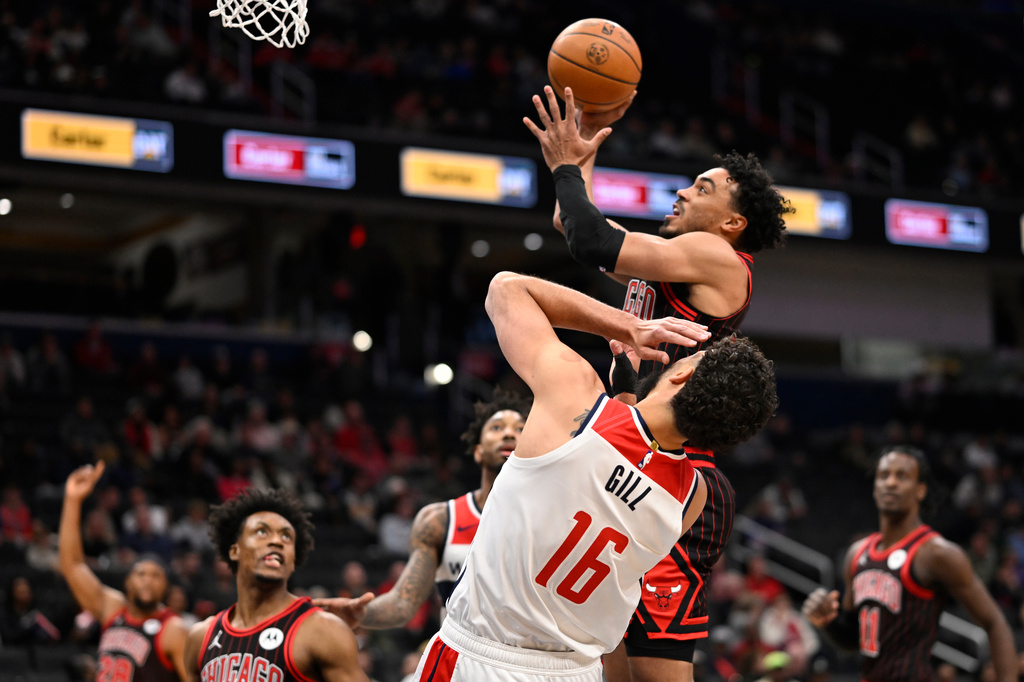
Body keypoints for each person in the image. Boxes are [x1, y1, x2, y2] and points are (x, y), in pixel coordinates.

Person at [525, 84, 793, 682]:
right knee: (601, 661)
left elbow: (589, 238)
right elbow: (574, 221)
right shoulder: (675, 255)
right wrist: (582, 142)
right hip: (637, 459)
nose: (681, 190)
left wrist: (569, 163)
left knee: (653, 675)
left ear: (732, 221)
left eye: (703, 188)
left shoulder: (717, 258)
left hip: (680, 474)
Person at [408, 271, 777, 681]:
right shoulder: (693, 497)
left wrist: (632, 326)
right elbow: (624, 480)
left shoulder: (574, 393)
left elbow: (505, 289)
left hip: (482, 658)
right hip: (575, 671)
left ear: (680, 375)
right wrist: (626, 400)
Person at [313, 389, 530, 628]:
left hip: (527, 657)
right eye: (497, 428)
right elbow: (403, 603)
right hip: (461, 657)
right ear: (477, 451)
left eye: (520, 429)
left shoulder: (555, 519)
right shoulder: (440, 520)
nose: (509, 433)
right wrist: (361, 614)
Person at [801, 446, 1017, 682]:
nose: (890, 483)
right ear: (875, 488)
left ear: (921, 490)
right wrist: (829, 623)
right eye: (884, 475)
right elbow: (855, 639)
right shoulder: (856, 553)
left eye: (901, 476)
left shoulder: (936, 553)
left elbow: (995, 623)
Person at [182, 488, 367, 682]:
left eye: (287, 536)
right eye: (262, 532)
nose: (277, 541)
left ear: (293, 559)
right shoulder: (201, 637)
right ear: (234, 551)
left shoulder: (322, 629)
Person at [58, 461, 188, 682]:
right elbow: (73, 566)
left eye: (156, 576)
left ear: (166, 587)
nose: (148, 580)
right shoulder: (112, 609)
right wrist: (72, 500)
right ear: (127, 582)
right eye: (141, 574)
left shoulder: (173, 629)